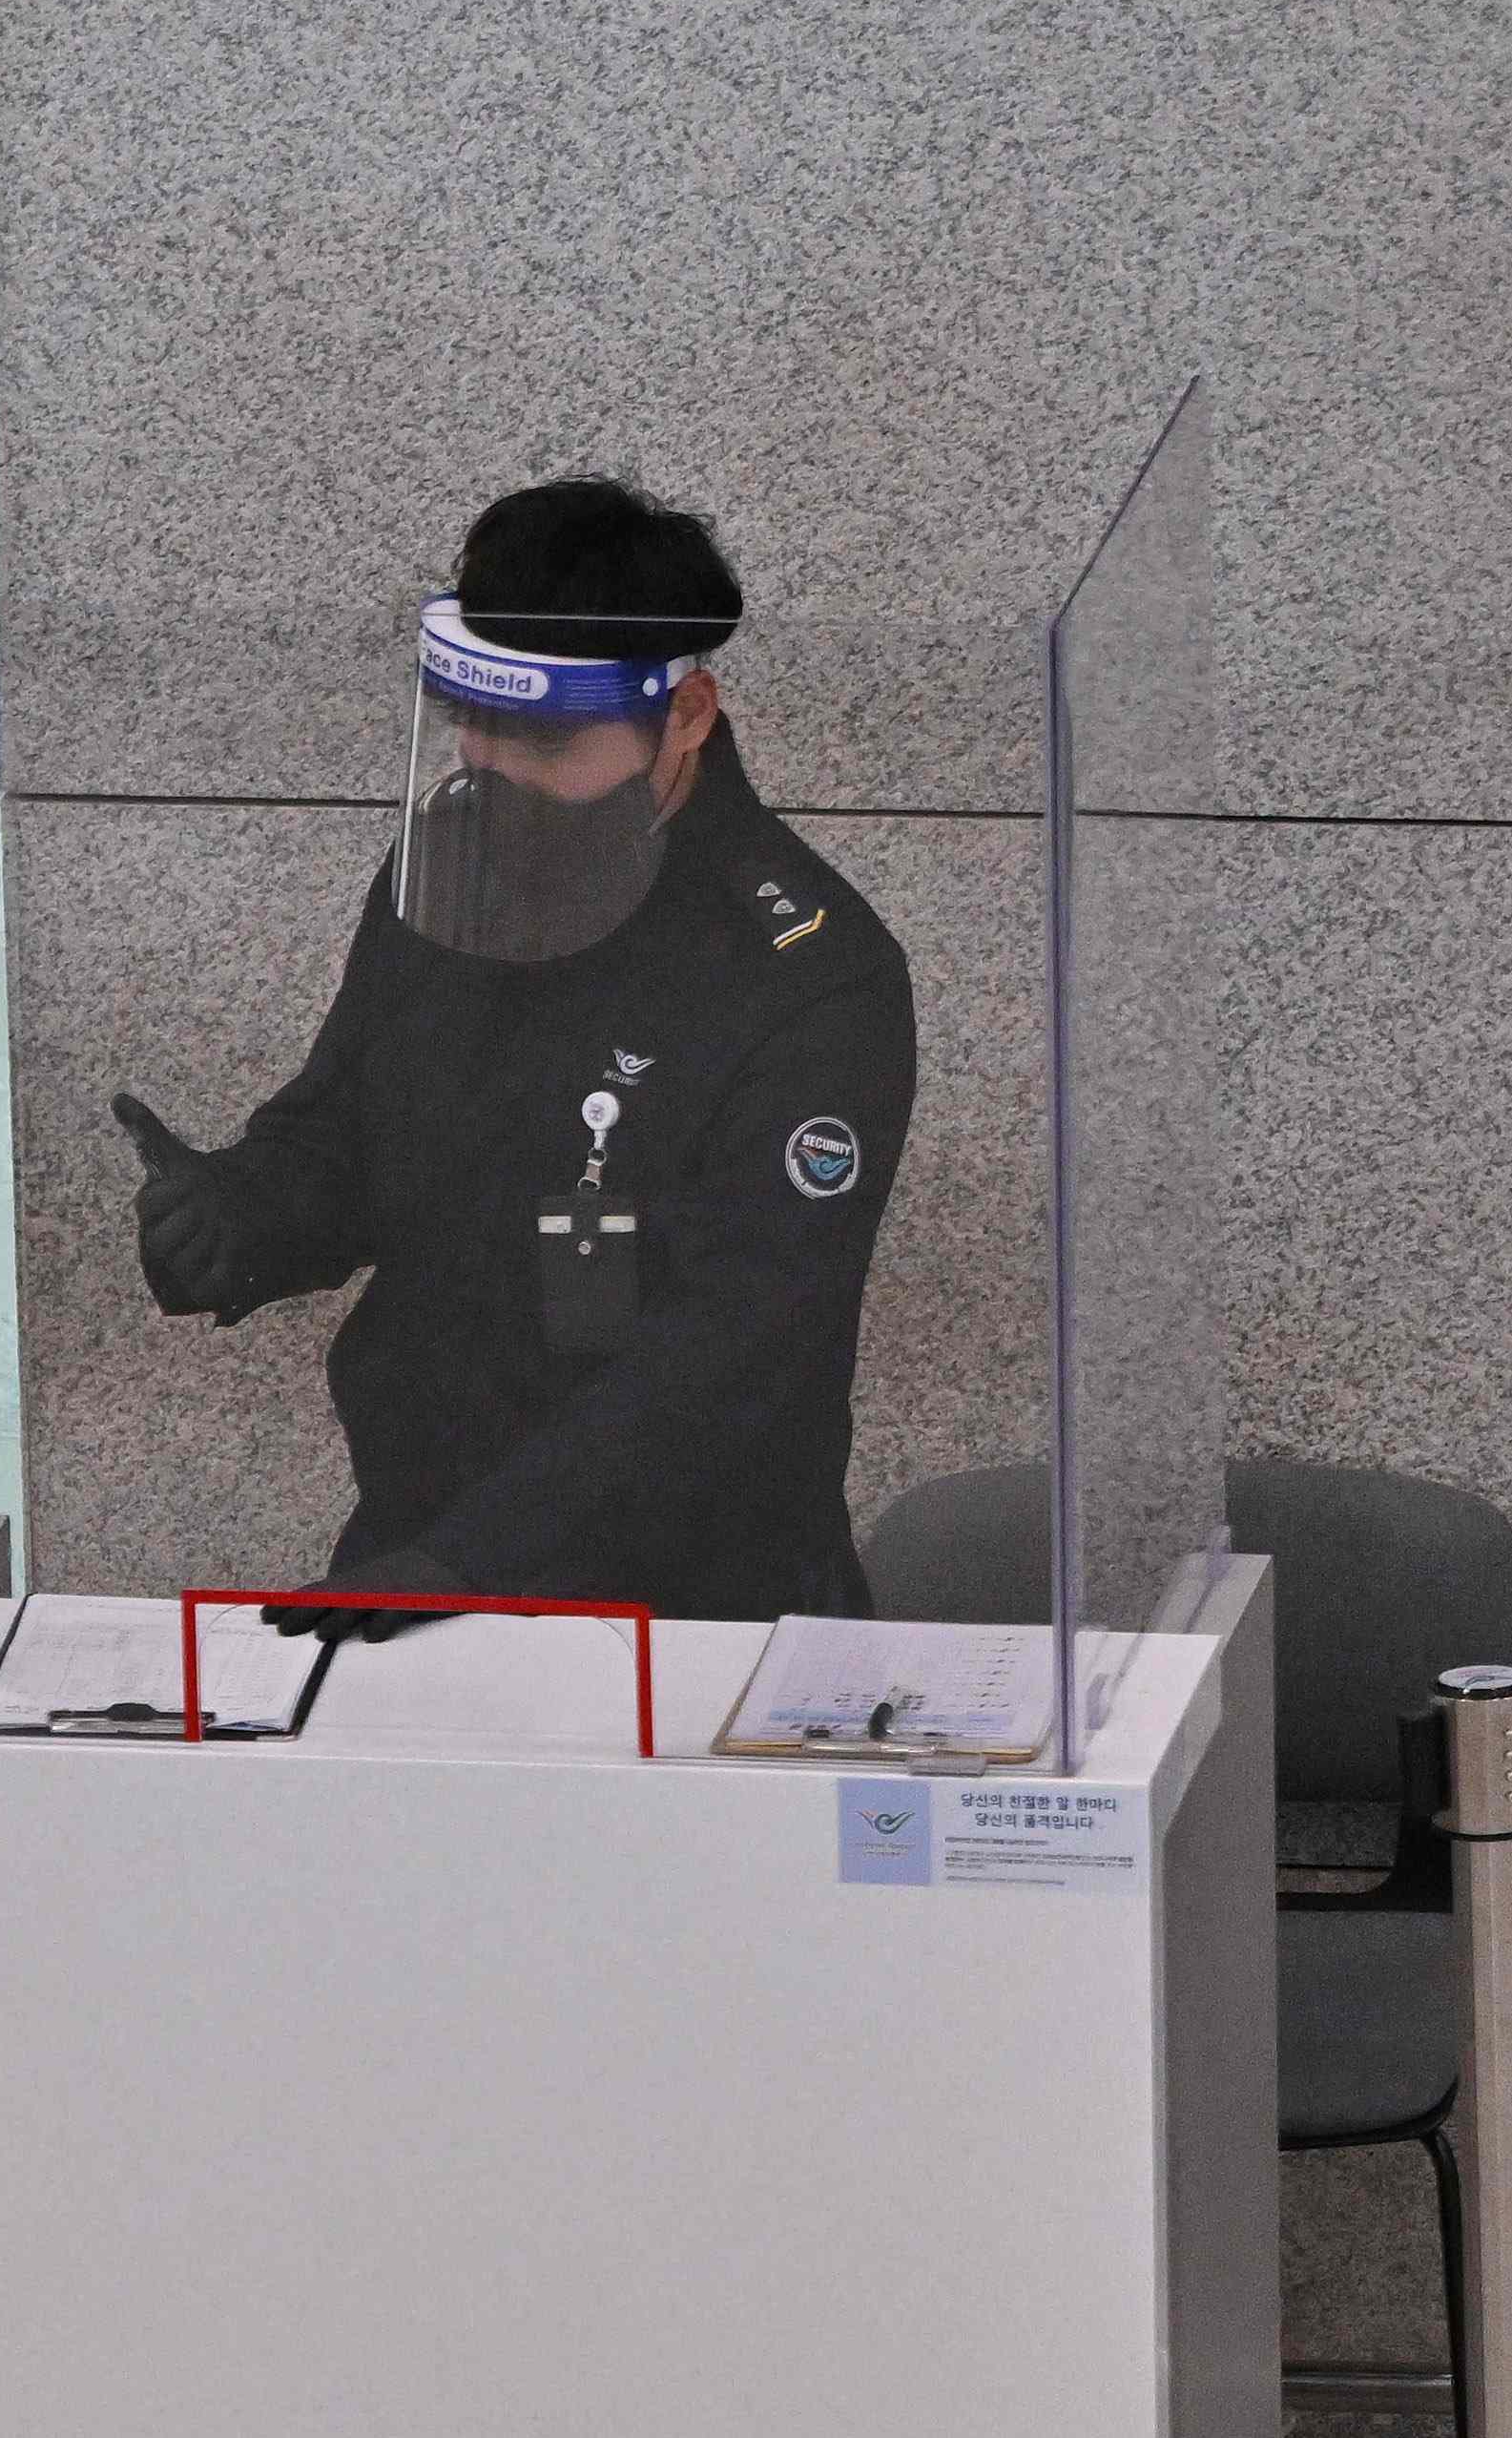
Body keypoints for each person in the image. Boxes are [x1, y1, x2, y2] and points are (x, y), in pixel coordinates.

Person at [114, 477, 914, 1618]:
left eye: (544, 736)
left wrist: (478, 1565)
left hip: (691, 1609)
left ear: (685, 713)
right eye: (472, 718)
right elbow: (353, 1124)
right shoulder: (450, 868)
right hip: (420, 1550)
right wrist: (241, 1213)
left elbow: (737, 1350)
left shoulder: (804, 975)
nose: (494, 763)